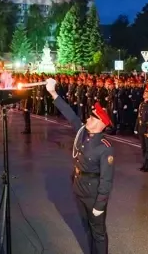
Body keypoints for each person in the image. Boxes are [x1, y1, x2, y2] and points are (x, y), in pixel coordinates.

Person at [45, 78, 114, 254]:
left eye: (92, 117)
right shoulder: (83, 132)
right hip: (79, 189)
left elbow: (106, 181)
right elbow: (70, 114)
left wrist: (100, 205)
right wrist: (53, 93)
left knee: (98, 233)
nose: (88, 119)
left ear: (101, 123)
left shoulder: (104, 148)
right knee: (87, 229)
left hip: (93, 193)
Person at [134, 85, 148, 172]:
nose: (144, 93)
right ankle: (144, 163)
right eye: (144, 92)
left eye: (146, 92)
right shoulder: (141, 104)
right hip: (141, 128)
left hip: (147, 129)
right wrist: (136, 128)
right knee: (143, 148)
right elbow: (138, 117)